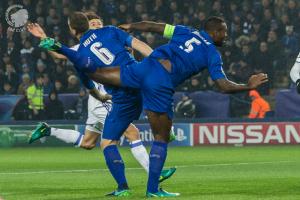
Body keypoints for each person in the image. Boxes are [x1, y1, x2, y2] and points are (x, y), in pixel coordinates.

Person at [40, 15, 269, 197]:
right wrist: (247, 86)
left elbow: (155, 27)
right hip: (160, 83)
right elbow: (223, 85)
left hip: (144, 67)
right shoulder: (212, 53)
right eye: (224, 32)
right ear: (215, 32)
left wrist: (132, 24)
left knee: (97, 73)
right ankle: (153, 189)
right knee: (160, 137)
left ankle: (124, 186)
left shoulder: (185, 30)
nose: (226, 36)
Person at [27, 12, 175, 197]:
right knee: (132, 132)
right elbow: (59, 54)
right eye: (93, 23)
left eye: (99, 22)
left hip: (102, 96)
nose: (96, 24)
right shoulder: (89, 43)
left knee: (88, 142)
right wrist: (43, 37)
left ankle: (49, 131)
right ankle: (153, 172)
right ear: (87, 26)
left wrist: (43, 37)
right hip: (104, 99)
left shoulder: (95, 43)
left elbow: (62, 51)